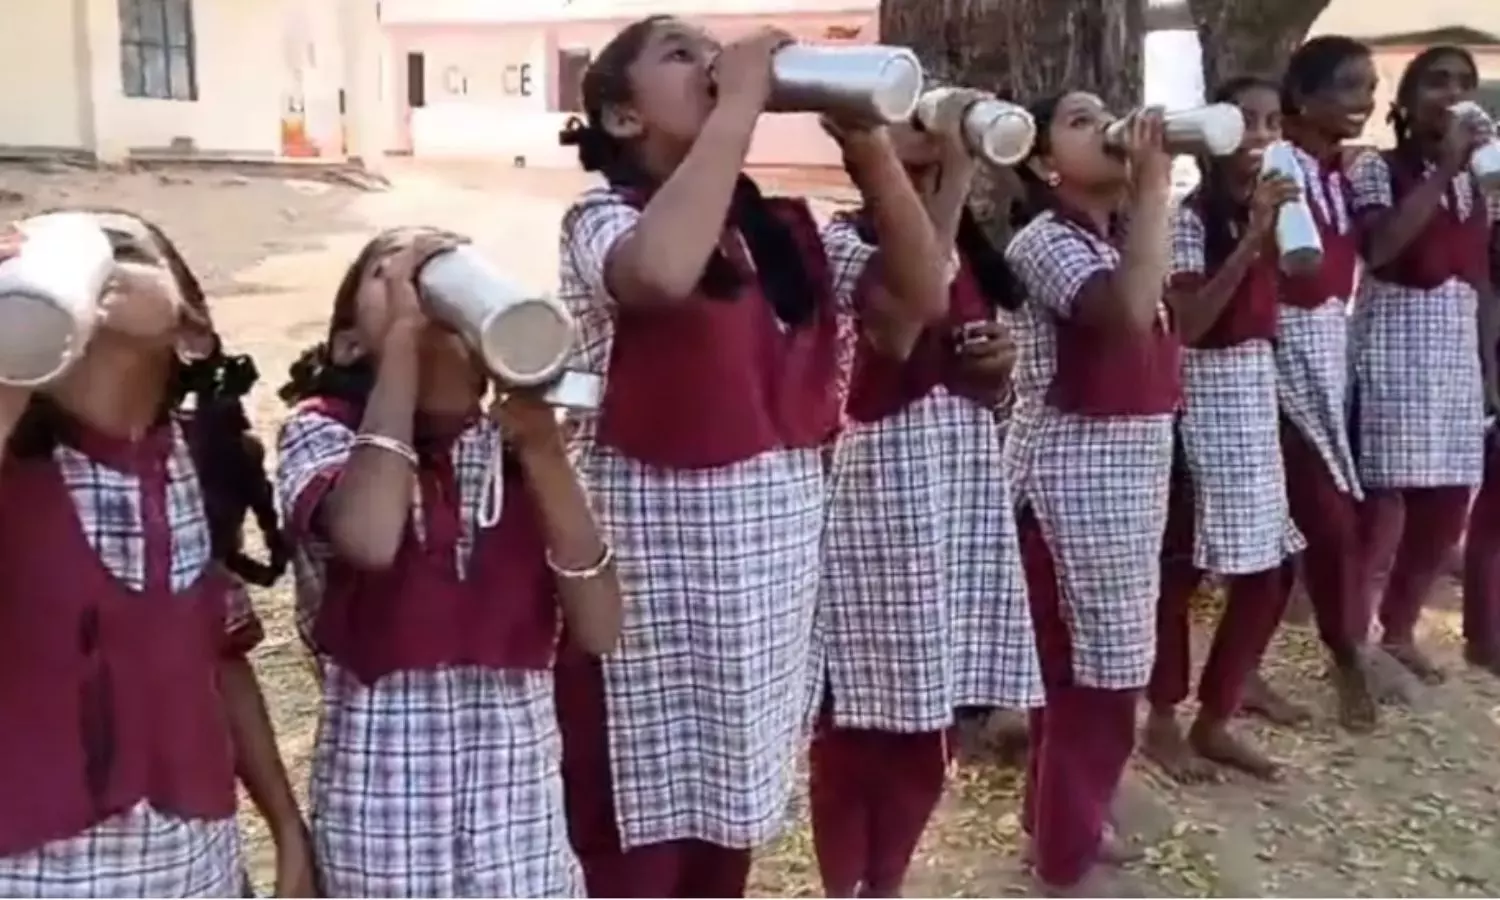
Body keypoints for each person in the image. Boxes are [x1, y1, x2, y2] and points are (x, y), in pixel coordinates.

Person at [549, 16, 948, 898]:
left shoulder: (780, 228)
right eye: (680, 55)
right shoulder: (603, 216)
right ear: (622, 117)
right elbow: (655, 275)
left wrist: (871, 152)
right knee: (632, 835)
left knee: (727, 827)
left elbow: (920, 298)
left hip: (765, 598)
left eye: (711, 53)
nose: (711, 64)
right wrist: (738, 107)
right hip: (651, 592)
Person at [274, 226, 622, 897]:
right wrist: (405, 346)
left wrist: (546, 453)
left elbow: (602, 627)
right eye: (388, 275)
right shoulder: (321, 433)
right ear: (349, 343)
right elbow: (370, 539)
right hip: (382, 821)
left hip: (518, 825)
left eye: (444, 273)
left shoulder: (517, 449)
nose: (422, 285)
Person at [0, 212, 310, 897]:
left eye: (122, 247)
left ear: (192, 328)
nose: (94, 259)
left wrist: (287, 827)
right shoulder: (19, 469)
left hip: (193, 863)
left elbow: (219, 661)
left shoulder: (187, 464)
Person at [809, 105, 1044, 897]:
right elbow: (906, 319)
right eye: (908, 121)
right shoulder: (839, 243)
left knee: (928, 714)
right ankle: (845, 882)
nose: (931, 132)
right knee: (858, 715)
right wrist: (956, 180)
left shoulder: (977, 255)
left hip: (959, 487)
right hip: (875, 490)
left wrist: (998, 370)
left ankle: (889, 881)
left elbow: (988, 377)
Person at [1003, 93, 1177, 895]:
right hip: (1074, 482)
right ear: (1043, 165)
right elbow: (1125, 317)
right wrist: (1152, 186)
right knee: (1096, 676)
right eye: (1078, 120)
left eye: (1104, 111)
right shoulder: (1045, 241)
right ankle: (1065, 858)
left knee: (1088, 670)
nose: (1105, 125)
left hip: (1128, 477)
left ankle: (1057, 821)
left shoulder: (1120, 238)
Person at [1144, 76, 1306, 783]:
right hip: (1201, 398)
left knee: (1270, 569)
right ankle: (1163, 719)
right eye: (1247, 123)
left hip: (1252, 393)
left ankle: (1219, 713)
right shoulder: (1189, 218)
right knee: (1181, 568)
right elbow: (1192, 324)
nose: (1262, 138)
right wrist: (1249, 243)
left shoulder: (1274, 209)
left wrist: (1280, 232)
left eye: (1273, 122)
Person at [1346, 45, 1499, 683]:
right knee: (1386, 500)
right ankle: (1352, 638)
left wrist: (1489, 366)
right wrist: (1442, 168)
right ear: (1405, 104)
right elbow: (1380, 249)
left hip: (1455, 351)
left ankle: (1401, 628)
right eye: (1436, 82)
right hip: (1394, 342)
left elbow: (1485, 280)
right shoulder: (1377, 171)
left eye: (1463, 83)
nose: (1452, 93)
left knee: (1446, 501)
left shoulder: (1477, 184)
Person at [1276, 35, 1380, 730]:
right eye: (1348, 87)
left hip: (1327, 348)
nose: (1364, 102)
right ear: (1304, 98)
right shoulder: (1281, 167)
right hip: (1279, 352)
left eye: (1369, 88)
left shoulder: (1336, 174)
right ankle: (1347, 656)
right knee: (1326, 517)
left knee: (1309, 520)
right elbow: (1300, 273)